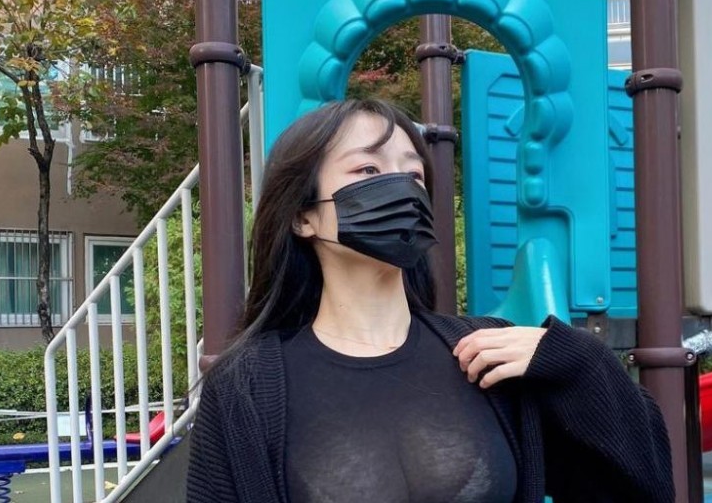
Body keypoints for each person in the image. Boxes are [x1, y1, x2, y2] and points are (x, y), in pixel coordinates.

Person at [186, 99, 674, 503]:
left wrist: (582, 364)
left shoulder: (490, 355)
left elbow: (640, 486)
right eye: (368, 169)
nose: (401, 188)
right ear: (303, 217)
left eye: (414, 174)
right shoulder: (247, 386)